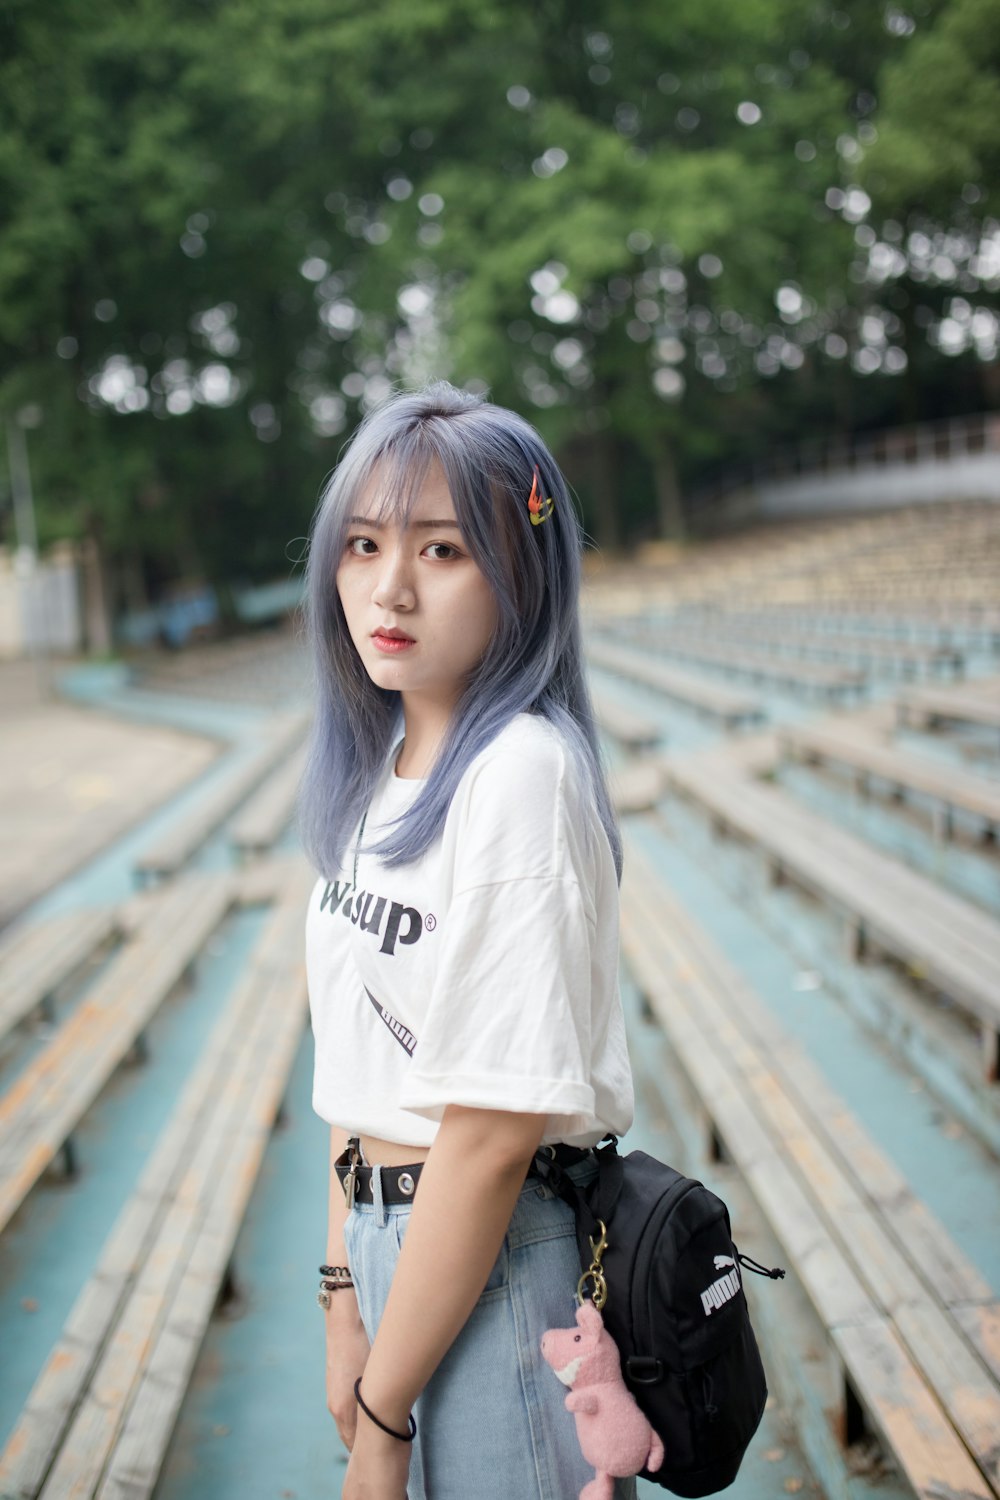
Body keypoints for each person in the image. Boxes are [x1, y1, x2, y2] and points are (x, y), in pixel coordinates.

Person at [298, 381, 635, 1500]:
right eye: (362, 543)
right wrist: (342, 1300)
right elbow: (360, 1079)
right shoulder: (374, 778)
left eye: (441, 550)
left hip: (496, 1264)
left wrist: (385, 1424)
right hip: (393, 1252)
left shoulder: (519, 777)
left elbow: (489, 1136)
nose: (387, 588)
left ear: (518, 575)